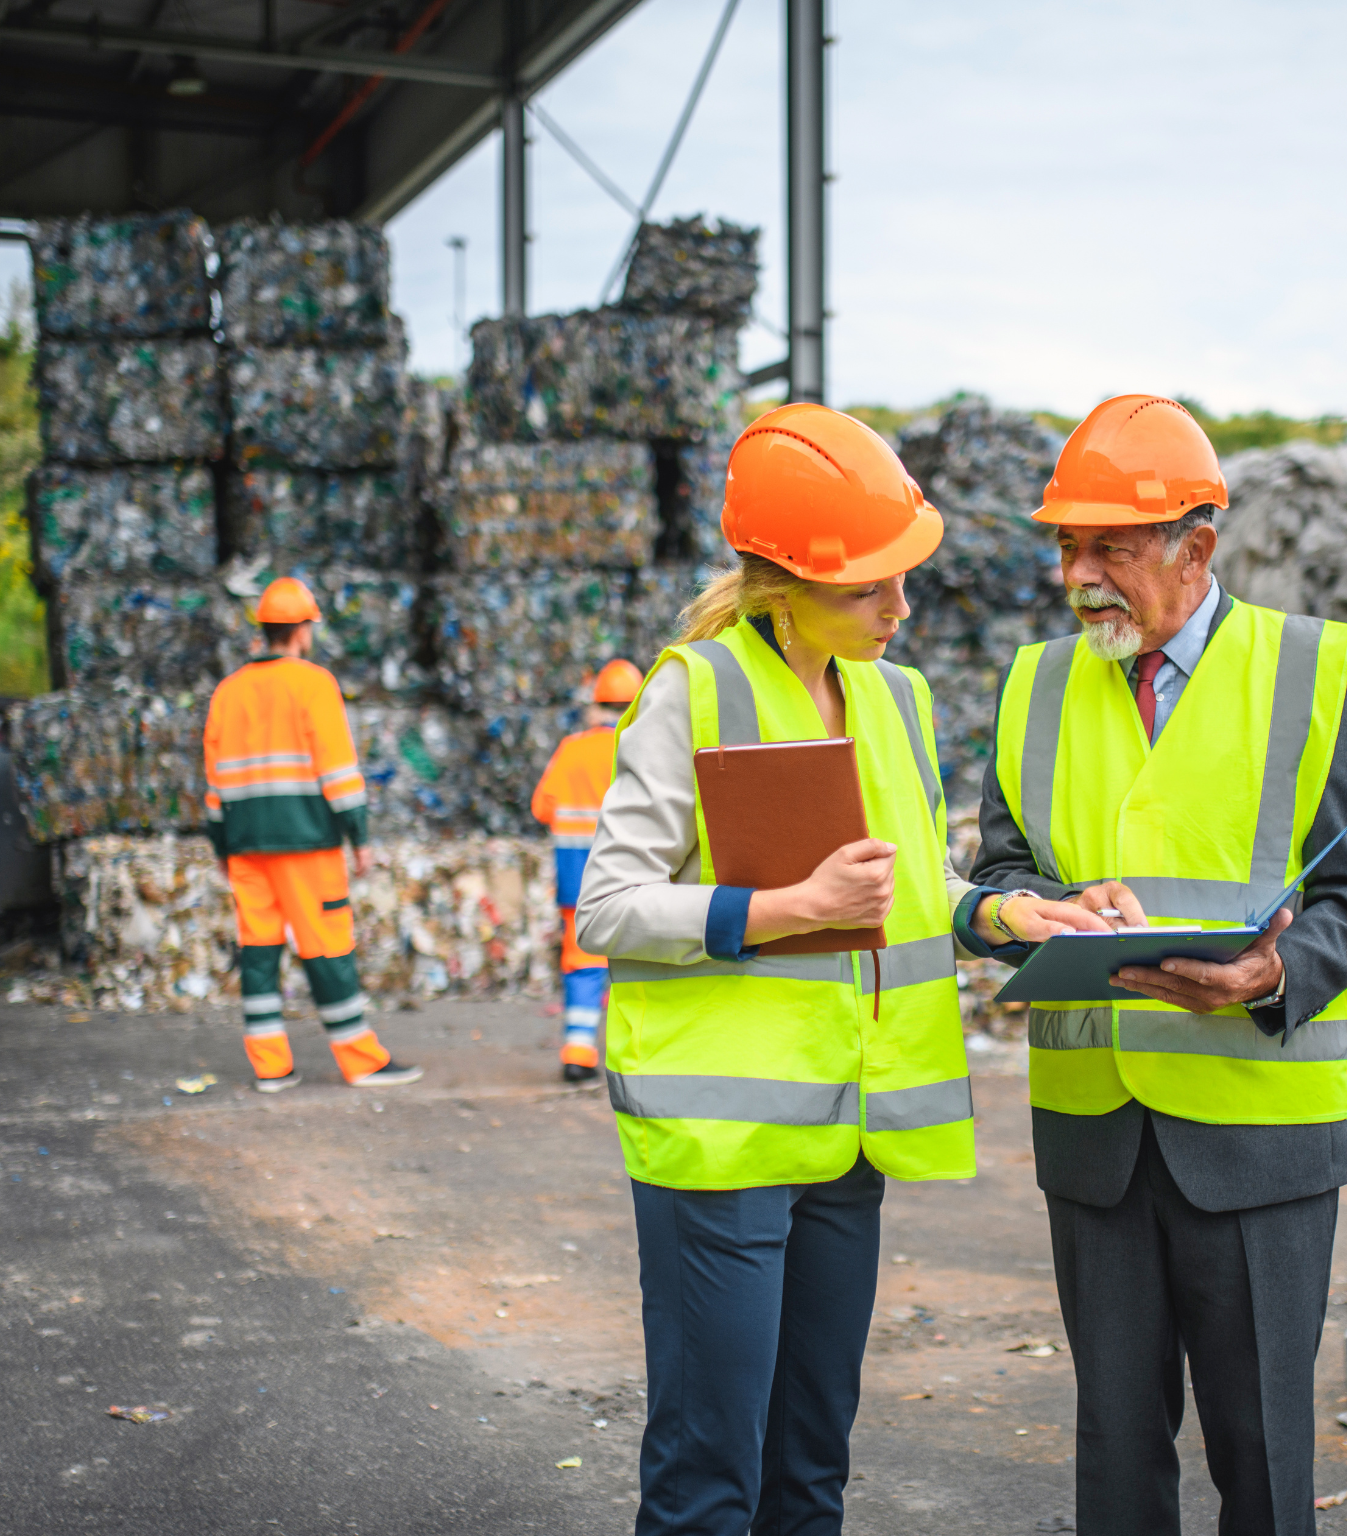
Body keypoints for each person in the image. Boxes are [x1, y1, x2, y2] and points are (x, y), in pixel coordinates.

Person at [575, 403, 1099, 1536]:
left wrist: (1005, 910)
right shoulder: (695, 690)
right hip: (720, 1147)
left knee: (811, 1471)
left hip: (847, 1133)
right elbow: (607, 907)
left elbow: (911, 887)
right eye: (871, 588)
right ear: (783, 584)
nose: (900, 608)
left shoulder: (895, 697)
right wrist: (787, 910)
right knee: (710, 1474)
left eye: (904, 578)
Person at [967, 394, 1347, 1535]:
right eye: (1066, 548)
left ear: (1197, 549)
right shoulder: (1035, 684)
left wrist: (1274, 977)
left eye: (1111, 549)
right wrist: (1032, 913)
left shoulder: (1318, 671)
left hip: (1261, 1135)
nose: (1080, 576)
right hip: (1095, 1133)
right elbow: (998, 876)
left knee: (1263, 1455)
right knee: (1116, 1455)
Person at [203, 576, 420, 1093]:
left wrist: (220, 845)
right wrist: (359, 836)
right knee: (327, 946)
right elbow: (338, 771)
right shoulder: (314, 684)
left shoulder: (228, 692)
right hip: (307, 844)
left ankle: (270, 1067)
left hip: (245, 845)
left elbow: (214, 781)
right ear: (302, 631)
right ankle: (360, 1059)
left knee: (259, 952)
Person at [530, 658, 644, 1084]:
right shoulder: (643, 747)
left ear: (596, 706)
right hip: (632, 882)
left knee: (583, 965)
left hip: (576, 881)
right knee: (637, 966)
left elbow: (542, 808)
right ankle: (633, 1061)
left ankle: (578, 1054)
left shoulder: (572, 748)